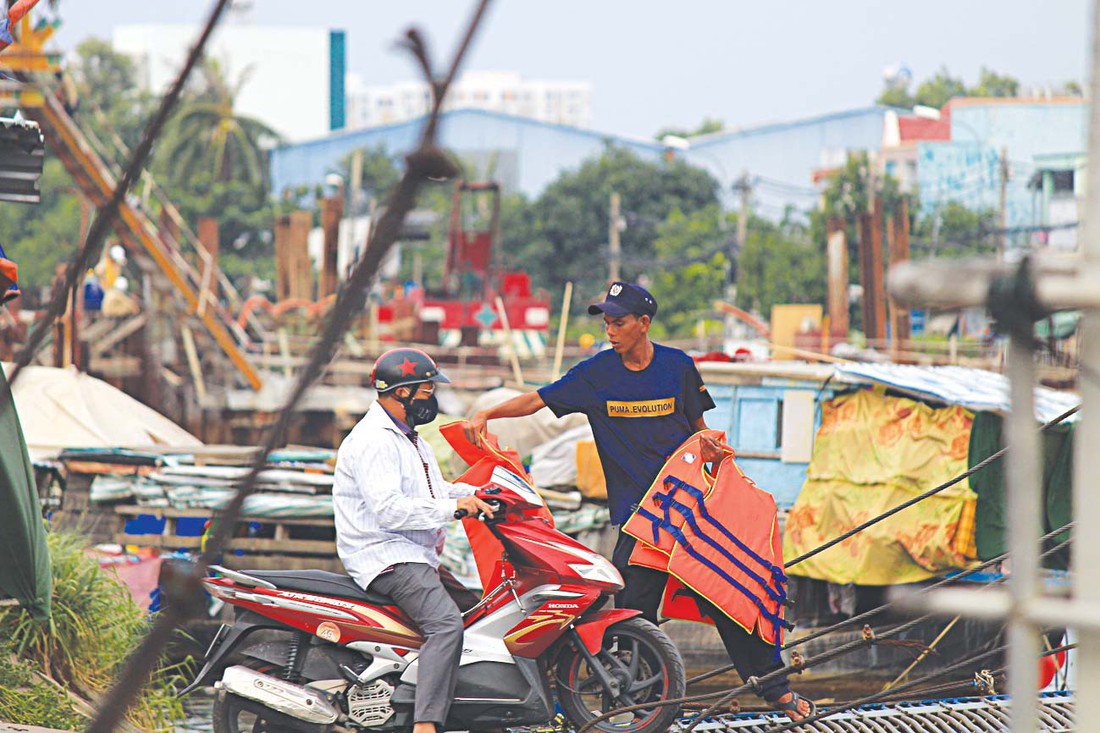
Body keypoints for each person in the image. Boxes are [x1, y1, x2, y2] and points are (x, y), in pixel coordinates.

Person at [466, 281, 815, 722]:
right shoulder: (596, 375)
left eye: (618, 322)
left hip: (691, 513)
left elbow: (697, 427)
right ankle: (638, 707)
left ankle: (777, 691)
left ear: (643, 324)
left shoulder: (678, 367)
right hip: (639, 519)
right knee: (632, 616)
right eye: (607, 322)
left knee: (730, 595)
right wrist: (487, 413)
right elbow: (538, 399)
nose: (610, 331)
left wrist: (708, 447)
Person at [334, 347, 495, 733]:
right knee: (446, 625)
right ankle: (426, 724)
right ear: (402, 392)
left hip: (416, 555)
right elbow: (389, 510)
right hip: (386, 556)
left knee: (480, 615)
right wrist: (456, 510)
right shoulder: (376, 440)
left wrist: (483, 491)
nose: (432, 398)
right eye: (426, 390)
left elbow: (435, 490)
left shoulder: (411, 439)